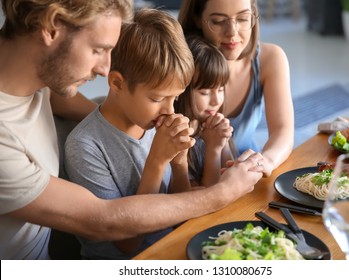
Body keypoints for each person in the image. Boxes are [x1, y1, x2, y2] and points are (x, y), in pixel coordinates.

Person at [0, 0, 263, 260]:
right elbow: (104, 222)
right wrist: (220, 194)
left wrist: (133, 125)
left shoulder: (38, 81)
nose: (105, 68)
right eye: (98, 49)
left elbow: (70, 101)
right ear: (52, 28)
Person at [64, 8, 197, 259]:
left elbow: (179, 215)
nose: (169, 110)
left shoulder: (153, 123)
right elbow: (127, 244)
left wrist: (180, 164)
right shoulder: (85, 146)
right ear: (117, 83)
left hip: (172, 249)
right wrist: (157, 161)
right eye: (158, 98)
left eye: (175, 98)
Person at [178, 0, 295, 177]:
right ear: (196, 18)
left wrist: (265, 161)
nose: (232, 32)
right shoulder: (178, 65)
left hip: (248, 173)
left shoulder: (270, 58)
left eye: (242, 19)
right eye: (218, 21)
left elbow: (282, 131)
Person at [174, 35, 236, 187]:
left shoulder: (209, 123)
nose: (216, 101)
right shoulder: (177, 137)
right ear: (181, 91)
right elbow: (208, 195)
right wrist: (213, 149)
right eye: (205, 93)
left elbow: (230, 177)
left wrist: (224, 141)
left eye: (220, 90)